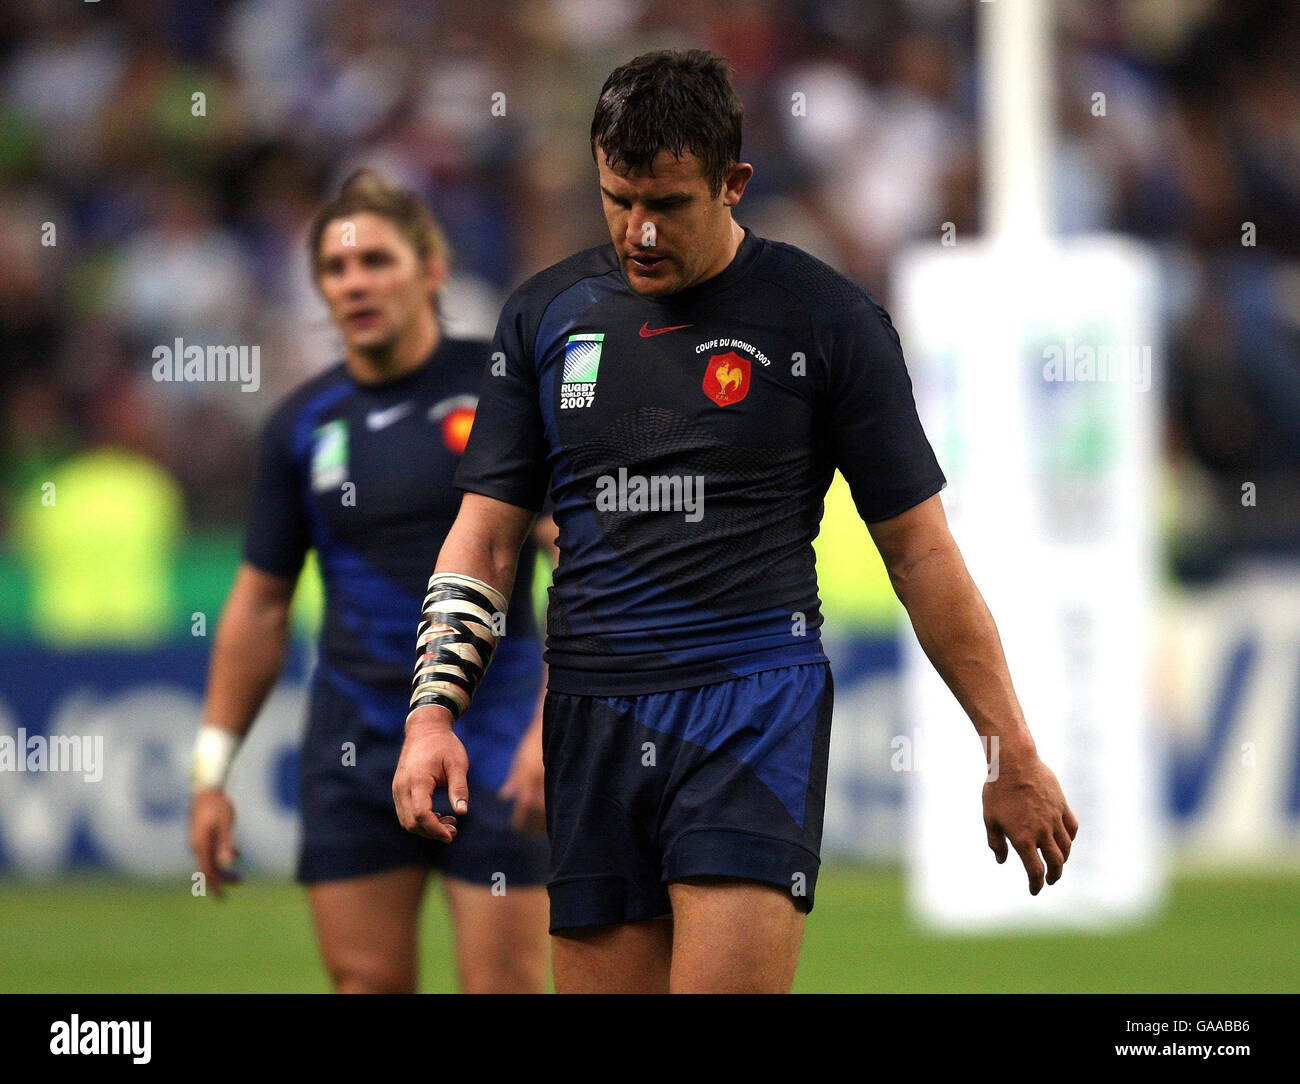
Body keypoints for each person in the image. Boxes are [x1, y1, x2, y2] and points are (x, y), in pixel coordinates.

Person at [392, 50, 1078, 994]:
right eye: (616, 198)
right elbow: (487, 537)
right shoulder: (545, 316)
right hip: (593, 716)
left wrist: (1011, 750)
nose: (637, 232)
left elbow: (921, 552)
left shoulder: (825, 321)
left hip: (752, 703)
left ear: (733, 183)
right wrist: (434, 712)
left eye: (668, 205)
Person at [189, 170, 553, 994]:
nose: (355, 283)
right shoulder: (302, 424)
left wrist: (548, 723)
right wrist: (212, 775)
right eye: (337, 270)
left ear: (430, 269)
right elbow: (260, 603)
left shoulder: (501, 392)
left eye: (377, 261)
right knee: (364, 984)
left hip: (497, 730)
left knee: (505, 984)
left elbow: (572, 554)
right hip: (352, 732)